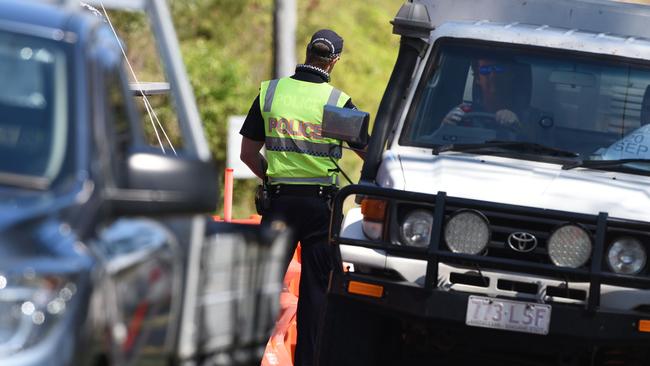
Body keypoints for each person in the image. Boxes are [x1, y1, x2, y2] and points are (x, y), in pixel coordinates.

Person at [239, 29, 362, 366]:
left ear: (307, 53)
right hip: (321, 208)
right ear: (334, 60)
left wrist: (274, 177)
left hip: (278, 204)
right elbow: (371, 153)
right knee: (315, 296)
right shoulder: (336, 102)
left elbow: (248, 153)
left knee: (263, 290)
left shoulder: (272, 92)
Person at [442, 57, 524, 129]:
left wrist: (518, 128)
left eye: (498, 69)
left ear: (510, 75)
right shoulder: (464, 115)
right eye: (485, 70)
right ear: (477, 78)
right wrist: (446, 126)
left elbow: (533, 143)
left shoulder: (530, 117)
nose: (493, 76)